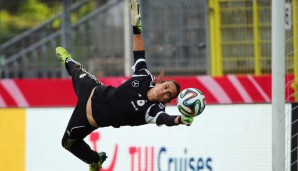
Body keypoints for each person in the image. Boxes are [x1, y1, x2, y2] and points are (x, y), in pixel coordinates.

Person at [57, 0, 194, 170]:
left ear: (168, 100)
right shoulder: (144, 76)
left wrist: (179, 119)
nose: (164, 92)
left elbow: (165, 120)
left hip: (87, 119)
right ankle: (68, 59)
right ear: (161, 82)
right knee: (76, 70)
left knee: (67, 143)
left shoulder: (153, 111)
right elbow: (139, 51)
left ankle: (94, 160)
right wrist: (137, 27)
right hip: (93, 90)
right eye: (165, 87)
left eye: (168, 95)